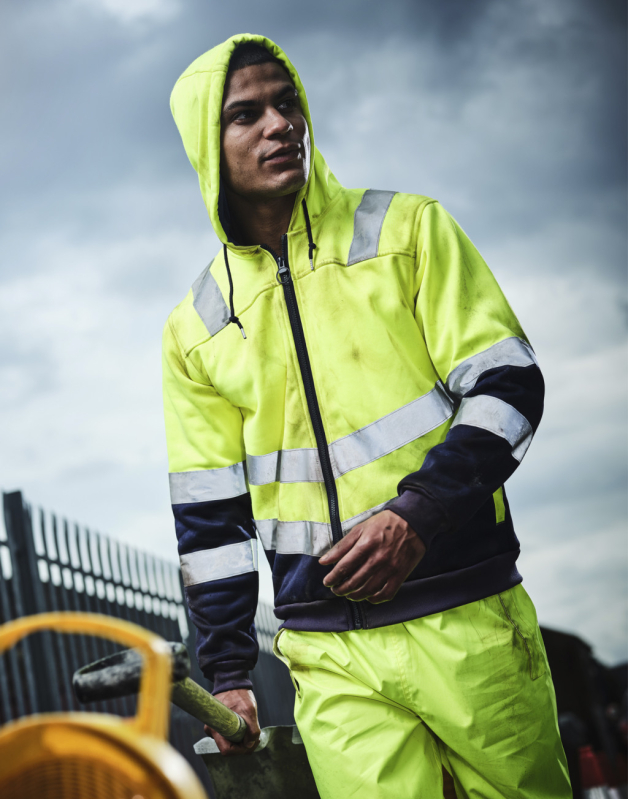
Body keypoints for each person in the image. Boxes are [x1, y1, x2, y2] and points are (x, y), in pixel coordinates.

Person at [163, 34, 572, 799]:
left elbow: (510, 385)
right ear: (204, 146)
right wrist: (229, 672)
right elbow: (210, 519)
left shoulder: (409, 231)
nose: (280, 125)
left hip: (468, 615)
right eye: (246, 115)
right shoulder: (196, 330)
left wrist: (417, 516)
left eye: (287, 104)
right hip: (327, 656)